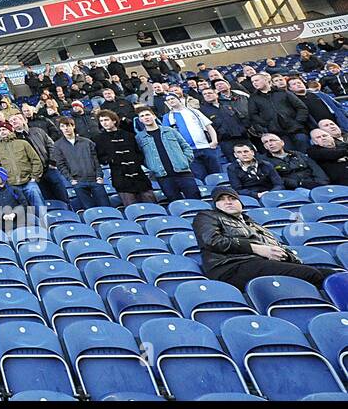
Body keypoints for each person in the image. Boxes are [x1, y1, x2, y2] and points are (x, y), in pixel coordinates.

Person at [193, 185, 326, 289]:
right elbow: (212, 241)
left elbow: (278, 246)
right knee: (311, 274)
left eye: (232, 198)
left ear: (240, 202)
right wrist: (255, 248)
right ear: (215, 205)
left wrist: (287, 257)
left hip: (261, 264)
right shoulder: (207, 216)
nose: (228, 202)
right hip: (231, 267)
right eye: (221, 200)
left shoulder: (254, 224)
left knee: (331, 274)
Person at [135, 107, 199, 200]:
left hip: (183, 172)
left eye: (148, 114)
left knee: (195, 198)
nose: (146, 117)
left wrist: (185, 160)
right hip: (163, 177)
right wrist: (152, 165)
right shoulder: (139, 138)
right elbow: (141, 156)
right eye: (142, 116)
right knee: (175, 202)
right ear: (140, 120)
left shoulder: (170, 130)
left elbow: (186, 147)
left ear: (154, 116)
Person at [94, 109, 154, 206]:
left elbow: (139, 153)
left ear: (114, 120)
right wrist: (112, 159)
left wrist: (135, 161)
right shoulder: (99, 139)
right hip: (120, 178)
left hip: (139, 176)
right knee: (132, 208)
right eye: (101, 121)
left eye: (106, 120)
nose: (104, 123)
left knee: (151, 204)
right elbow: (101, 158)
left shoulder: (129, 135)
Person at [52, 116, 111, 210]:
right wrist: (71, 180)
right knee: (89, 210)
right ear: (60, 128)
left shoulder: (87, 142)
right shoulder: (57, 145)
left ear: (73, 126)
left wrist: (99, 176)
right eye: (63, 126)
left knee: (107, 208)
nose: (66, 128)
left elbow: (96, 161)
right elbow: (61, 165)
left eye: (68, 125)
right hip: (78, 182)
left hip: (95, 180)